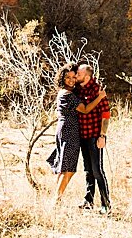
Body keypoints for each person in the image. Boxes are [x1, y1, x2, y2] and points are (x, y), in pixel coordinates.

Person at [73, 62, 111, 214]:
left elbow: (106, 114)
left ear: (87, 76)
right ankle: (89, 200)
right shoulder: (78, 90)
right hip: (83, 135)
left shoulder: (97, 90)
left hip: (95, 135)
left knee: (97, 170)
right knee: (88, 170)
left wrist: (102, 135)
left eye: (79, 75)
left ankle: (105, 204)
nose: (77, 76)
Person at [47, 63, 81, 204]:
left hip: (69, 129)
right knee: (67, 168)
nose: (71, 80)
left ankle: (56, 197)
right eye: (68, 77)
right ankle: (56, 199)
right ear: (62, 78)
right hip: (69, 130)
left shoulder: (69, 92)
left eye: (74, 77)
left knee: (66, 167)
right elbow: (84, 109)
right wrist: (100, 97)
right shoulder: (66, 94)